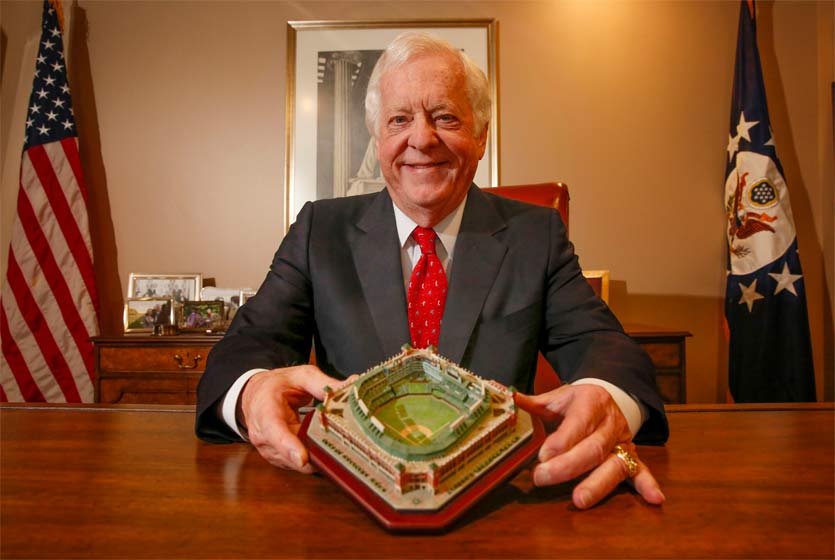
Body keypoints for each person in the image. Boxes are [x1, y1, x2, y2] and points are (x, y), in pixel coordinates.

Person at [196, 31, 668, 510]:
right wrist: (252, 391)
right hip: (349, 500)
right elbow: (244, 349)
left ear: (480, 136)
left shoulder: (534, 235)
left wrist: (608, 398)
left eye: (445, 117)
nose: (421, 138)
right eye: (399, 119)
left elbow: (604, 347)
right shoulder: (321, 230)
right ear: (378, 138)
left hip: (497, 502)